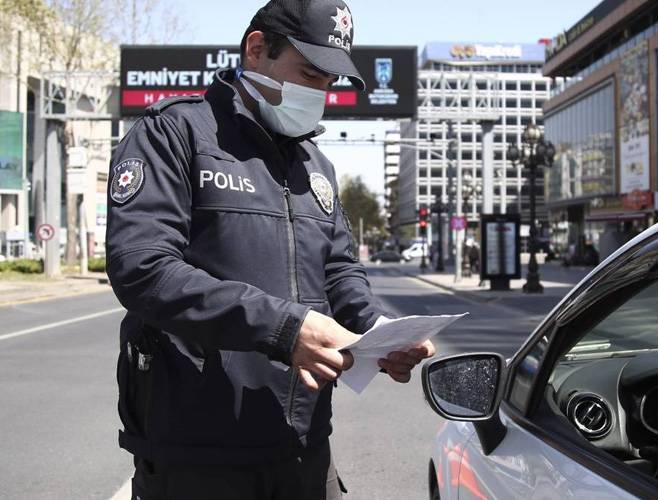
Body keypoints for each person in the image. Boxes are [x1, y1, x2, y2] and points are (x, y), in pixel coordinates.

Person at [105, 1, 435, 498]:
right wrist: (286, 329)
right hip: (195, 451)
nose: (321, 92)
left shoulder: (316, 165)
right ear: (256, 50)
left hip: (303, 445)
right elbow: (143, 268)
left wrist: (380, 333)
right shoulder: (176, 133)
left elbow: (340, 270)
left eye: (330, 81)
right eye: (309, 72)